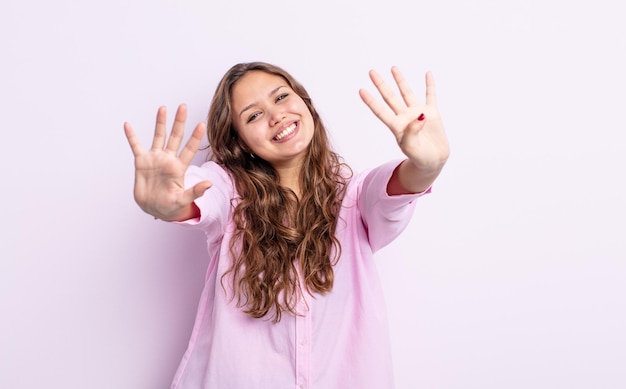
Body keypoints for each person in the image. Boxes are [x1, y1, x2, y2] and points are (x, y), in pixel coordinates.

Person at [123, 61, 449, 389]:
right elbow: (200, 194)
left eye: (280, 98)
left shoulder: (356, 197)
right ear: (241, 143)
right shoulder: (229, 191)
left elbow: (396, 187)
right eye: (253, 115)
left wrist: (428, 164)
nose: (276, 116)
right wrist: (168, 202)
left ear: (305, 103)